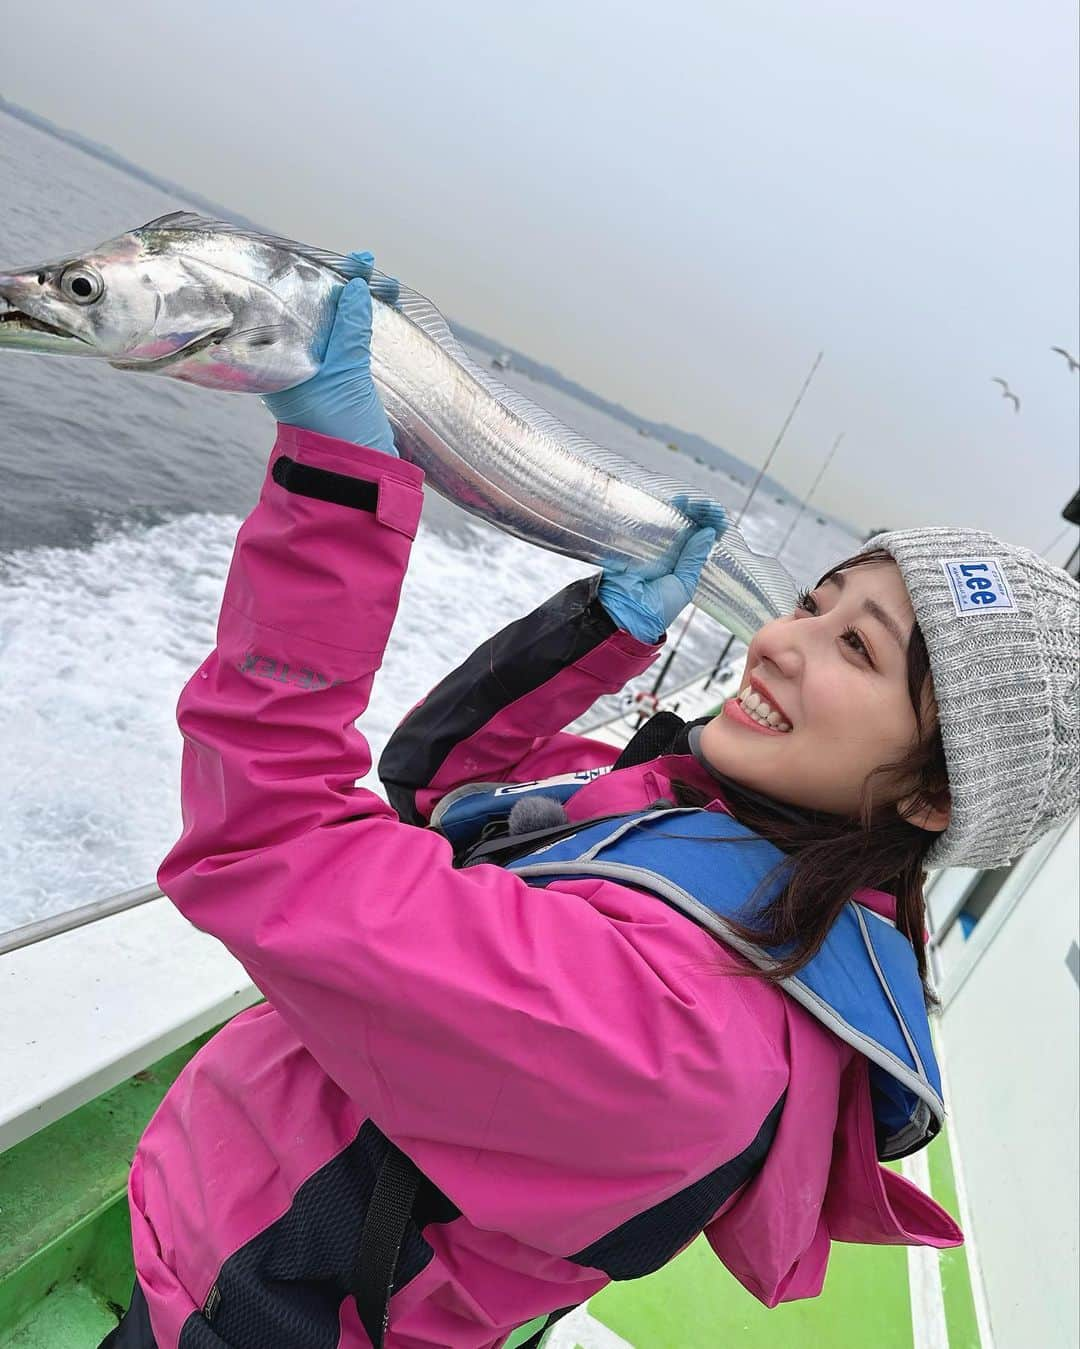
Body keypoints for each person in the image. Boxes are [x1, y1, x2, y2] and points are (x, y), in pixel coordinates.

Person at [102, 268, 1079, 1349]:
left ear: (934, 791)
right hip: (218, 1263)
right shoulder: (716, 842)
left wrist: (338, 490)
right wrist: (596, 632)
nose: (776, 640)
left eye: (856, 647)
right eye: (813, 601)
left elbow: (268, 844)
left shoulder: (675, 1027)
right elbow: (445, 789)